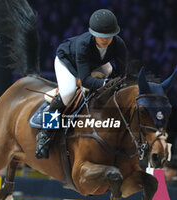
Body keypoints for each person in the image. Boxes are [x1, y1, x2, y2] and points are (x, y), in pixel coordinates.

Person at [35, 9, 127, 159]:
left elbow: (122, 74)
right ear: (92, 33)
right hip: (68, 62)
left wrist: (117, 84)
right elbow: (85, 80)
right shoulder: (83, 44)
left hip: (95, 62)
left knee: (111, 73)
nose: (104, 40)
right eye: (100, 36)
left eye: (108, 36)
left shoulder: (119, 44)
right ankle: (45, 132)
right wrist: (107, 83)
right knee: (68, 92)